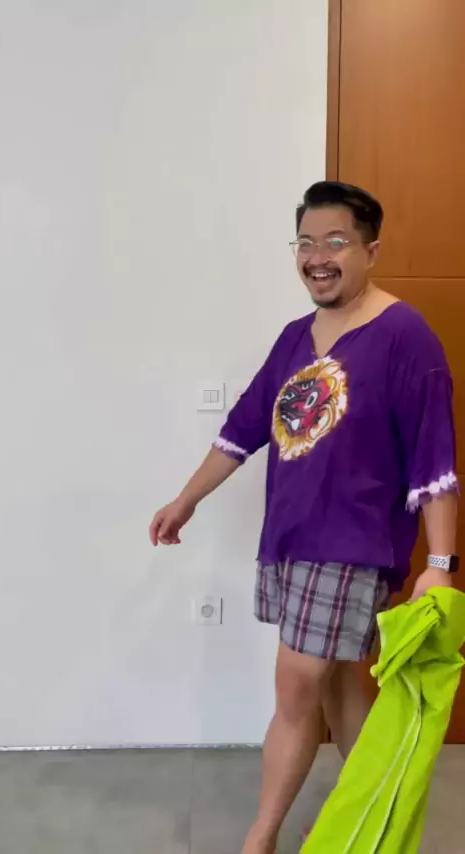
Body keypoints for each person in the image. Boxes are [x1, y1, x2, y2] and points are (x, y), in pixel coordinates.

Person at [149, 181, 459, 854]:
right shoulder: (297, 338)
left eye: (336, 242)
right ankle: (367, 816)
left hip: (352, 544)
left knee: (295, 690)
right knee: (339, 686)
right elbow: (242, 429)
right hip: (291, 538)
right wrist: (186, 498)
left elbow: (435, 458)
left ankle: (259, 839)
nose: (318, 257)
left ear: (371, 250)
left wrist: (440, 565)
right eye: (307, 243)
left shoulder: (405, 336)